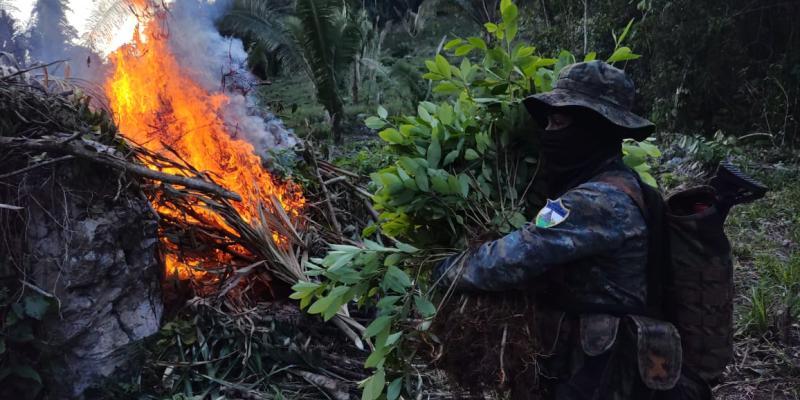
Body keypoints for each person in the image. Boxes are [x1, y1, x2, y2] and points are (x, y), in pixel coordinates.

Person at [433, 61, 710, 399]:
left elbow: (513, 258)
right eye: (548, 121)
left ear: (594, 129)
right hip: (591, 364)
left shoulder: (596, 201)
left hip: (604, 373)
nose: (548, 131)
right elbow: (541, 234)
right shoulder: (611, 185)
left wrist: (445, 269)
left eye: (559, 121)